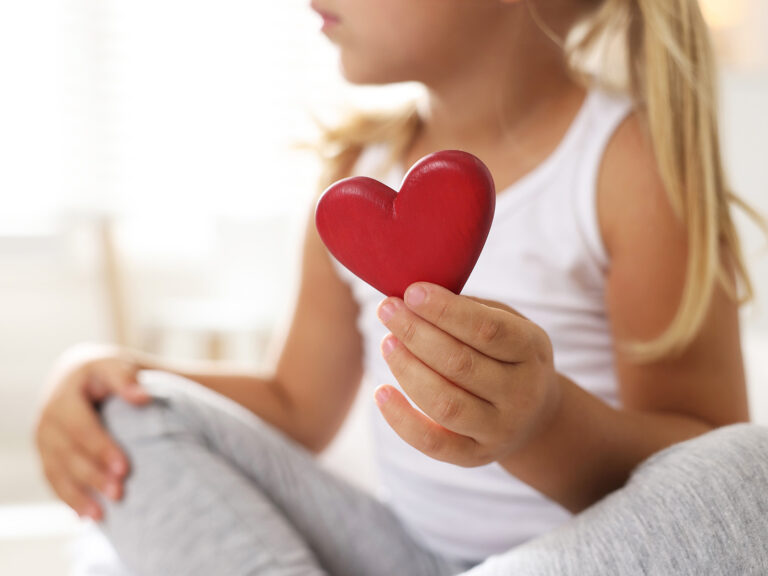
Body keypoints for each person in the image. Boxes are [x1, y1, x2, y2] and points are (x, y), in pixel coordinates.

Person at [35, 0, 768, 574]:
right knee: (131, 417)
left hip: (579, 554)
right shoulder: (354, 176)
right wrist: (109, 373)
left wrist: (541, 423)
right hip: (400, 554)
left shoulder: (626, 162)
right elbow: (295, 405)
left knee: (748, 474)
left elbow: (702, 457)